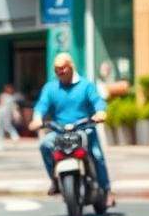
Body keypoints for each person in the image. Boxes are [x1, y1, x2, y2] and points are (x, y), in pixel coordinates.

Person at [28, 53, 114, 204]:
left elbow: (97, 101)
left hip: (84, 129)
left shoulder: (86, 85)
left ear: (71, 66)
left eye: (62, 68)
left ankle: (106, 190)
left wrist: (100, 113)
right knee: (45, 144)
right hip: (60, 131)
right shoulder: (51, 88)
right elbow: (41, 106)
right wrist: (37, 119)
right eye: (56, 69)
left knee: (97, 155)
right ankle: (55, 179)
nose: (60, 72)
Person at [0, 84, 21, 151]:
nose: (9, 89)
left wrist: (16, 113)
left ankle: (15, 136)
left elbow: (14, 106)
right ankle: (0, 143)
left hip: (7, 114)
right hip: (0, 114)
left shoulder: (13, 97)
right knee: (0, 128)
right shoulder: (2, 95)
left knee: (7, 126)